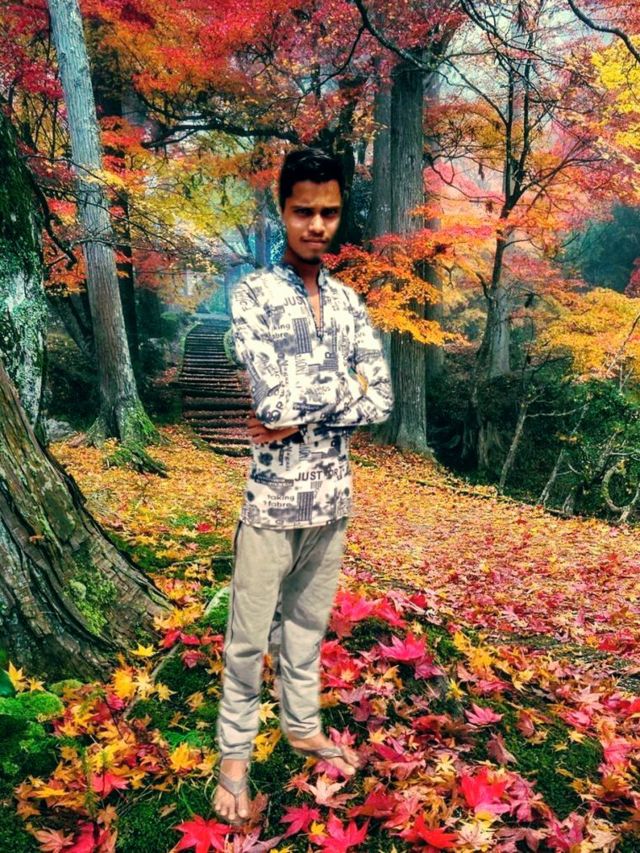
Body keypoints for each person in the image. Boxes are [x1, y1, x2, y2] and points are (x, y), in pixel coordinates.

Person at [213, 147, 393, 824]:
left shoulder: (349, 303)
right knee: (246, 641)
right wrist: (344, 387)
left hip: (332, 498)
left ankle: (301, 726)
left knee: (308, 630)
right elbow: (271, 401)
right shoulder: (252, 294)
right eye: (303, 211)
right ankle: (234, 758)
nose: (317, 224)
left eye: (329, 212)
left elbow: (381, 401)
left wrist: (304, 402)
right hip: (270, 502)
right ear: (283, 210)